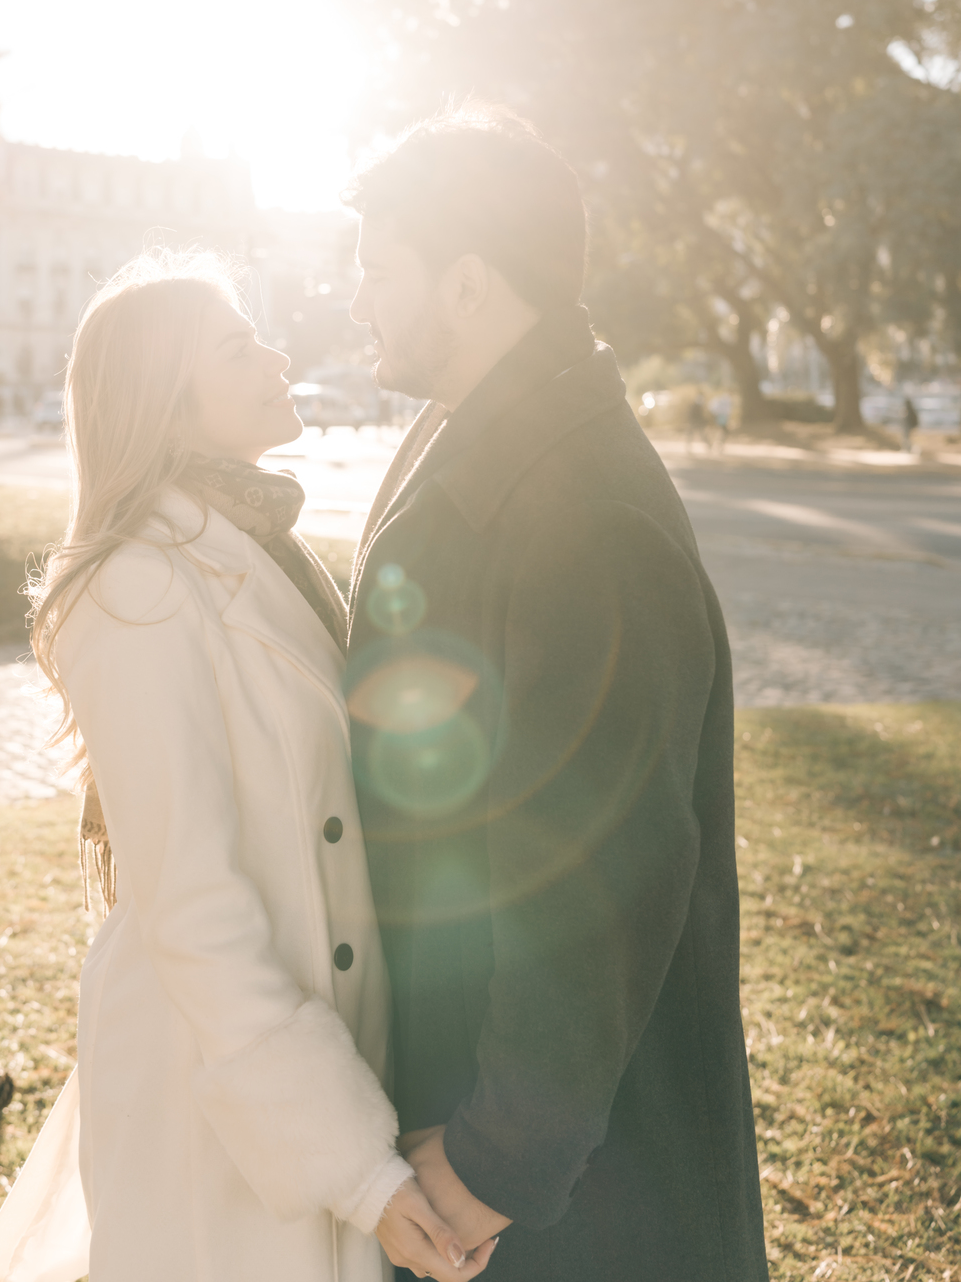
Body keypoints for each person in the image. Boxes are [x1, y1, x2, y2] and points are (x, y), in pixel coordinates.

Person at [0, 250, 493, 1282]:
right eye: (238, 344)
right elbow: (193, 905)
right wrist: (358, 1169)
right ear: (167, 396)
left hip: (295, 1073)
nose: (280, 356)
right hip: (212, 1097)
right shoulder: (136, 587)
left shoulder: (253, 549)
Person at [343, 107, 768, 1282]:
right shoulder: (475, 431)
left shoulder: (586, 515)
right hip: (483, 1116)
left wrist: (496, 1161)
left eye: (378, 267)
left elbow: (602, 869)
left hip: (576, 1193)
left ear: (469, 283)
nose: (354, 297)